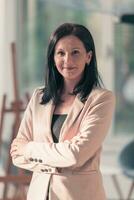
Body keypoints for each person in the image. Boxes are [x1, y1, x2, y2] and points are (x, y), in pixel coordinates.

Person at [10, 23, 115, 200]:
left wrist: (29, 148)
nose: (68, 60)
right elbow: (15, 154)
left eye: (75, 52)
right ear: (53, 57)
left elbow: (76, 154)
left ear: (88, 56)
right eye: (61, 53)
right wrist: (60, 159)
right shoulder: (39, 97)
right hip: (38, 195)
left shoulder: (101, 99)